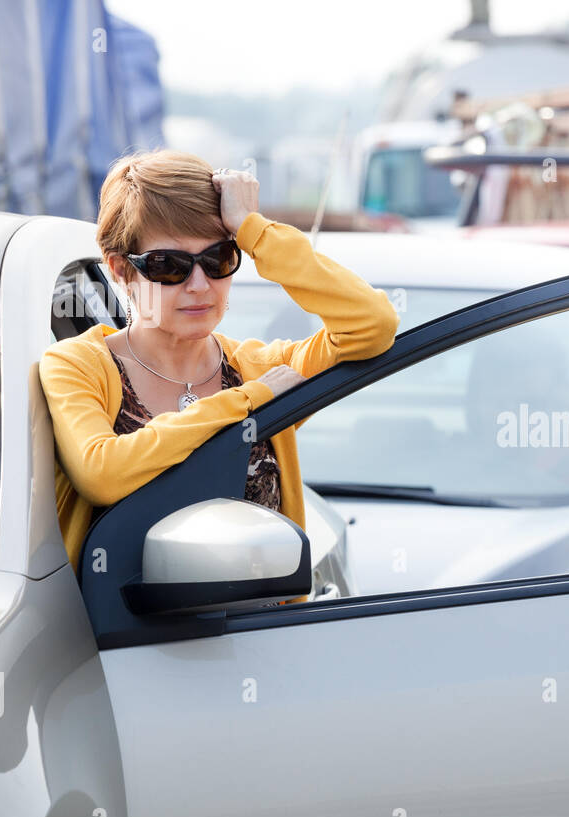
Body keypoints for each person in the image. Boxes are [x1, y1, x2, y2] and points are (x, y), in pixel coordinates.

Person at [39, 149, 399, 573]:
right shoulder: (77, 365)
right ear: (121, 270)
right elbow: (102, 473)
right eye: (168, 265)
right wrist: (248, 402)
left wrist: (252, 230)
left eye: (218, 259)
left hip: (263, 632)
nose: (199, 285)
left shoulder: (260, 367)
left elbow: (373, 324)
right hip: (119, 639)